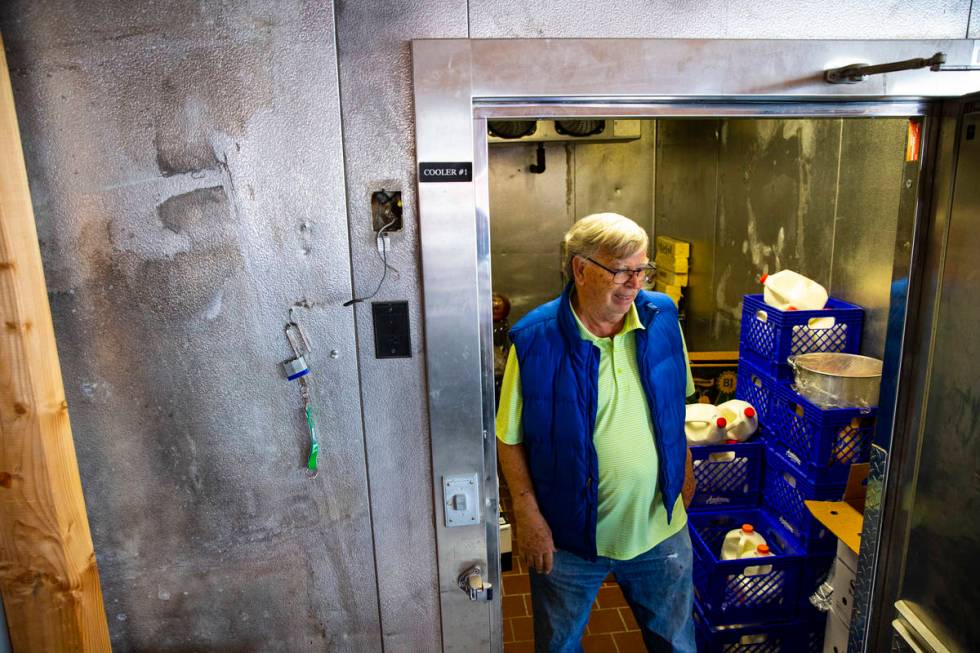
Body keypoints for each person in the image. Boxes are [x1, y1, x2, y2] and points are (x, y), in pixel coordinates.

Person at [496, 213, 697, 653]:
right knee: (559, 645)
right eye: (621, 270)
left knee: (676, 644)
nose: (633, 284)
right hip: (568, 538)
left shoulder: (662, 317)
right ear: (580, 268)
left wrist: (684, 468)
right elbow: (508, 437)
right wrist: (527, 516)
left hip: (659, 528)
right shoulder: (535, 339)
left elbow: (675, 403)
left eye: (642, 270)